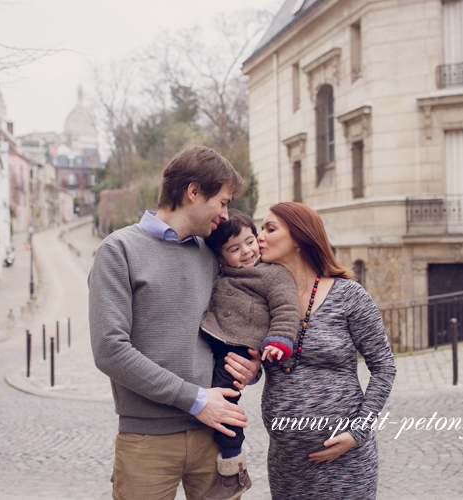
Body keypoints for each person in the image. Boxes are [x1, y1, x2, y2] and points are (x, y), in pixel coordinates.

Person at [88, 144, 262, 500]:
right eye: (223, 202)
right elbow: (109, 350)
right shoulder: (118, 250)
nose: (226, 215)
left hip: (213, 438)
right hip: (146, 442)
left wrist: (251, 365)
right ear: (193, 192)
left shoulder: (212, 256)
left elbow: (235, 326)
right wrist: (195, 400)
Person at [256, 201, 397, 500]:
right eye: (260, 229)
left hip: (345, 460)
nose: (260, 237)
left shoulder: (348, 296)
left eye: (270, 229)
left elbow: (384, 367)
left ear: (298, 237)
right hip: (287, 463)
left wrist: (358, 433)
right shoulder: (261, 299)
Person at [200, 209, 300, 500]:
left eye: (249, 242)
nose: (246, 252)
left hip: (239, 348)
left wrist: (278, 341)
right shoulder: (222, 273)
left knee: (224, 404)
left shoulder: (273, 274)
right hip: (217, 339)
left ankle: (233, 470)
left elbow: (286, 309)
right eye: (234, 248)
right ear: (221, 257)